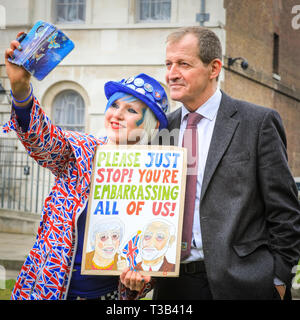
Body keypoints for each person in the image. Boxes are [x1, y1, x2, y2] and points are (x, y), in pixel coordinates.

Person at [120, 26, 300, 300]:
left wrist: (279, 278)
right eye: (168, 64)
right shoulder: (162, 129)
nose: (172, 74)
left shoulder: (258, 123)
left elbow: (285, 211)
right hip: (175, 285)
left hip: (246, 283)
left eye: (183, 64)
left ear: (214, 68)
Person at [3, 32, 168, 300]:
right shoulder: (82, 150)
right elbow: (42, 140)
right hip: (48, 288)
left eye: (131, 110)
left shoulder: (156, 175)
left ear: (151, 123)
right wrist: (21, 90)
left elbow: (152, 246)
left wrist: (138, 283)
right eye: (114, 105)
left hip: (107, 295)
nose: (117, 114)